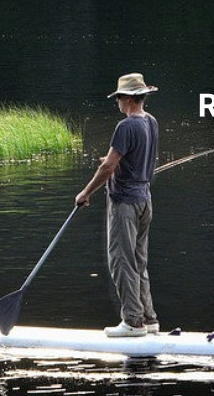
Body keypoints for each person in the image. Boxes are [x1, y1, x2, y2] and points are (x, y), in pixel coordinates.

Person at [74, 73, 160, 337]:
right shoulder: (151, 122)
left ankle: (133, 322)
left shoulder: (126, 126)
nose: (118, 102)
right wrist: (117, 165)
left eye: (119, 97)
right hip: (144, 200)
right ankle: (149, 319)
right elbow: (137, 158)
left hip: (125, 203)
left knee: (121, 261)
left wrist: (85, 192)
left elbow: (108, 167)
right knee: (138, 262)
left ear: (129, 99)